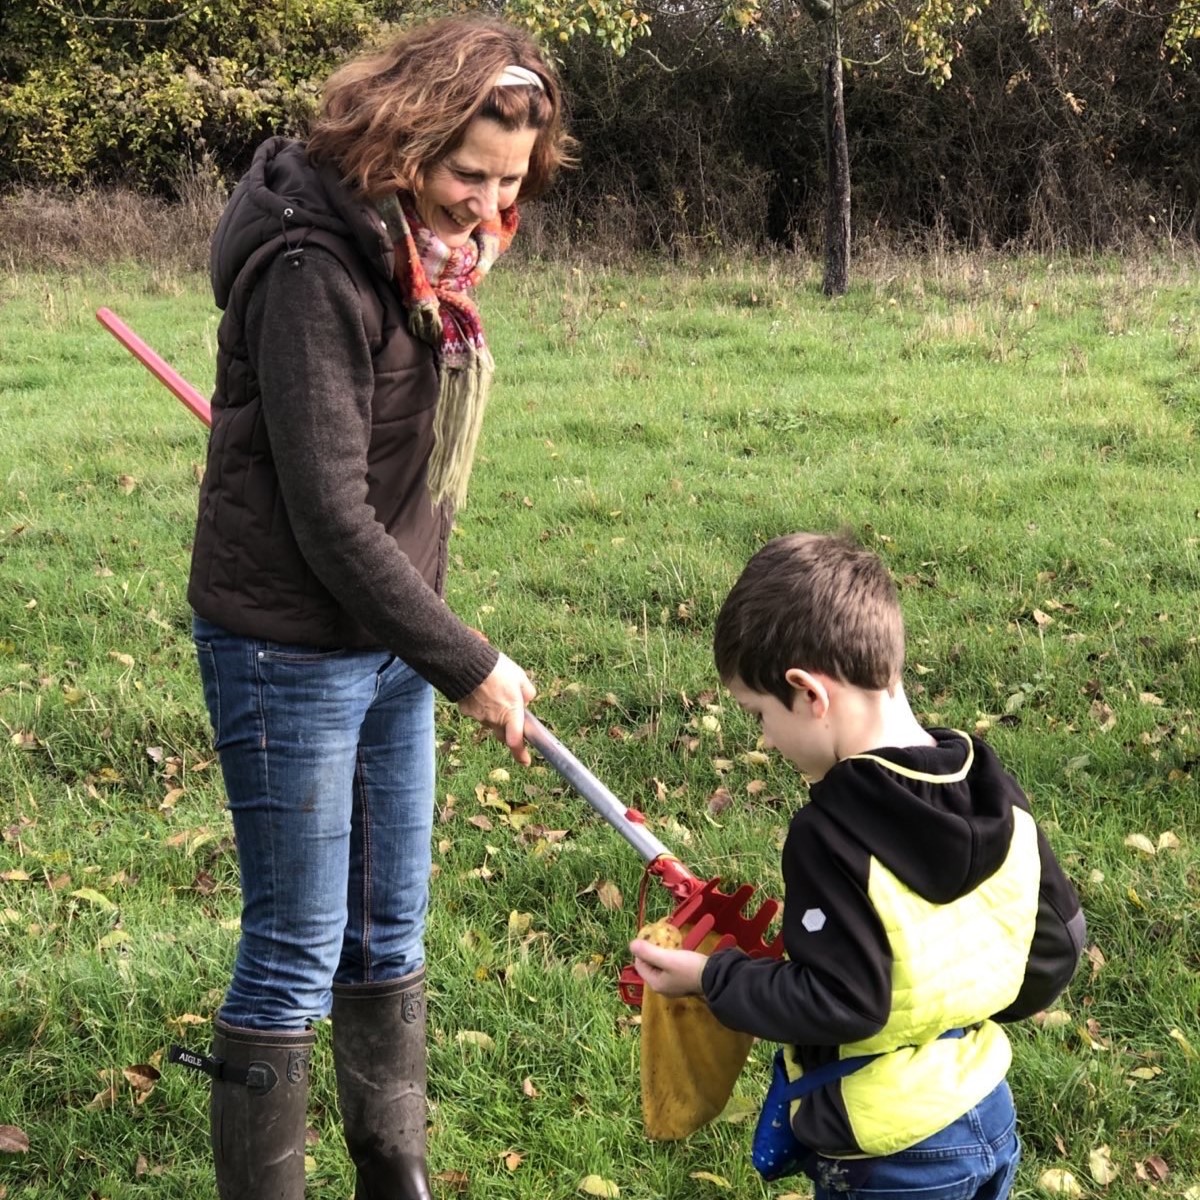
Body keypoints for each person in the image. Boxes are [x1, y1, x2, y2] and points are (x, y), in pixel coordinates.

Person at [181, 17, 573, 1199]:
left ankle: (390, 1178)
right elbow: (332, 519)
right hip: (286, 647)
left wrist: (426, 648)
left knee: (386, 937)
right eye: (469, 175)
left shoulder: (422, 256)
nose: (488, 208)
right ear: (407, 139)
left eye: (512, 184)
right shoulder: (314, 265)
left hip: (386, 642)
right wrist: (470, 661)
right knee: (297, 953)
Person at [630, 532, 1085, 1200]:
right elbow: (1057, 945)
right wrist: (950, 1012)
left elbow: (841, 1002)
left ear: (808, 693)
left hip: (891, 1156)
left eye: (759, 715)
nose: (763, 738)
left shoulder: (831, 833)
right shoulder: (994, 792)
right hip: (985, 1107)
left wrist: (711, 976)